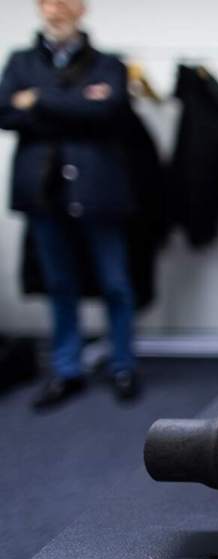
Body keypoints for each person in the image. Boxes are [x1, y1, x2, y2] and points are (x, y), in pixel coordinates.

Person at [0, 0, 139, 409]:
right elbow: (5, 112)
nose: (54, 10)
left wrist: (39, 100)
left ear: (81, 9)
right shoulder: (20, 61)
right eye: (46, 3)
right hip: (44, 192)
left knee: (115, 282)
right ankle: (67, 369)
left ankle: (122, 365)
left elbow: (111, 112)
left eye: (63, 2)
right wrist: (78, 102)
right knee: (60, 284)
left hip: (98, 189)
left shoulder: (109, 64)